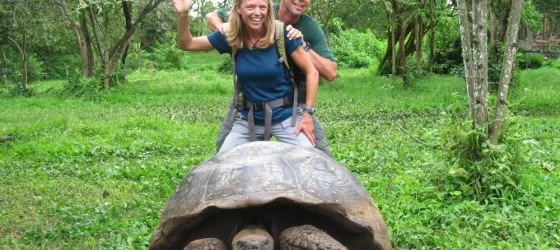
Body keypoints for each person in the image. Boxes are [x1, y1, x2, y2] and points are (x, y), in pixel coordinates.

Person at [171, 0, 319, 153]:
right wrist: (183, 14)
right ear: (238, 8)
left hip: (287, 118)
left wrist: (308, 114)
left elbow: (312, 72)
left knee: (310, 161)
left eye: (262, 7)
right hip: (249, 120)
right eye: (250, 7)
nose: (257, 12)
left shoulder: (283, 34)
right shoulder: (231, 36)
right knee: (224, 163)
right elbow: (186, 44)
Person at [207, 0, 338, 158]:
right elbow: (213, 16)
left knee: (319, 154)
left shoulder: (309, 27)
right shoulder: (261, 10)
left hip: (293, 97)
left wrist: (301, 44)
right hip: (251, 96)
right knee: (224, 152)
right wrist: (230, 27)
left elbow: (330, 73)